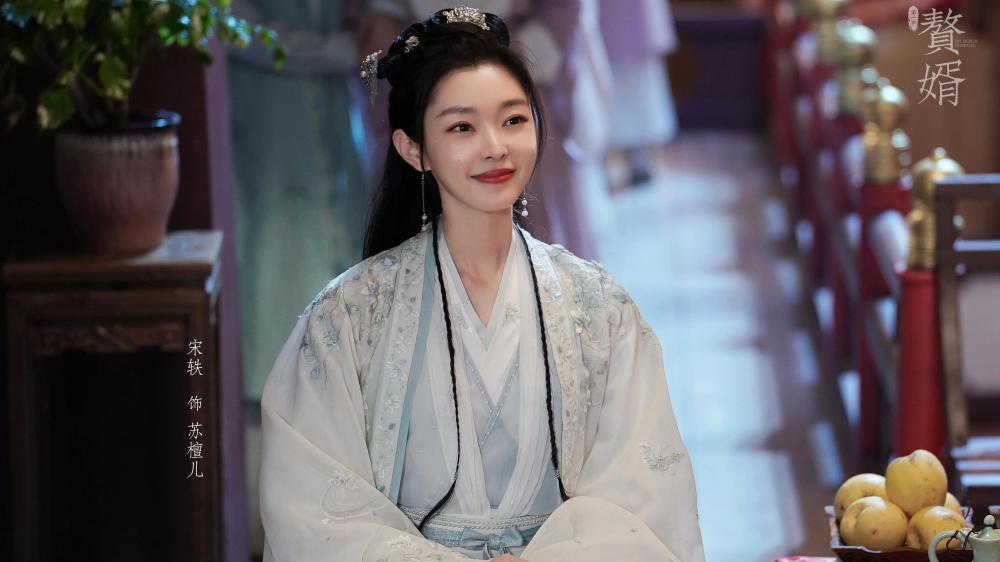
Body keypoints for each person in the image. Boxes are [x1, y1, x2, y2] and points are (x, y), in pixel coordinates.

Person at [259, 7, 706, 561]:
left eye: (513, 120)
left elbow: (641, 494)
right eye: (462, 127)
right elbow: (317, 506)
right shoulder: (350, 315)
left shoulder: (598, 307)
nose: (495, 146)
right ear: (412, 148)